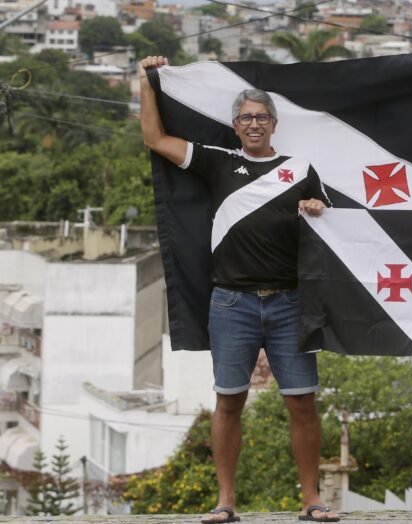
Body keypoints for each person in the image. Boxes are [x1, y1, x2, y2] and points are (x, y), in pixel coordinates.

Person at [139, 56, 339, 524]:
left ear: (274, 123)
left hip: (290, 302)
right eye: (246, 117)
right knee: (229, 401)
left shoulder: (300, 168)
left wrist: (316, 206)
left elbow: (329, 223)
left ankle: (311, 499)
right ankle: (226, 501)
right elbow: (154, 139)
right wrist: (147, 82)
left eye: (261, 117)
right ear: (235, 124)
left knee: (303, 402)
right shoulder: (216, 161)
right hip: (231, 303)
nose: (254, 124)